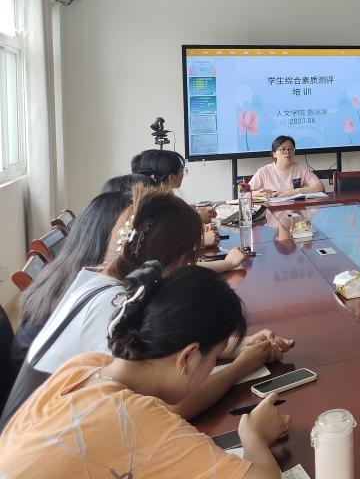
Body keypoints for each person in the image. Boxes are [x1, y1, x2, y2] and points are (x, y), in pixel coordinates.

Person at [1, 189, 294, 426]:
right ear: (179, 261)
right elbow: (173, 406)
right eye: (190, 260)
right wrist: (241, 366)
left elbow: (161, 354)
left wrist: (233, 346)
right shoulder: (112, 306)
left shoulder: (99, 280)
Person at [0, 262, 288, 478]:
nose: (213, 366)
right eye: (214, 359)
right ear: (188, 357)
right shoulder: (136, 420)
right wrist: (254, 438)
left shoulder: (87, 365)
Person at [12, 190, 133, 371]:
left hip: (36, 377)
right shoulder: (92, 290)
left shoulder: (62, 271)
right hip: (44, 383)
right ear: (116, 239)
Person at [131, 149, 217, 229]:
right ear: (171, 177)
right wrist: (197, 219)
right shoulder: (159, 207)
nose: (183, 174)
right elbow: (170, 232)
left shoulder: (146, 201)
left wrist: (191, 213)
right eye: (182, 170)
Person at [248, 135, 325, 198]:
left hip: (296, 209)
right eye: (283, 149)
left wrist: (296, 191)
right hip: (272, 209)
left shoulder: (301, 168)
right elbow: (244, 193)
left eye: (291, 149)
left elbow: (320, 187)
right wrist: (259, 193)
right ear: (274, 154)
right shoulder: (264, 171)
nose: (287, 152)